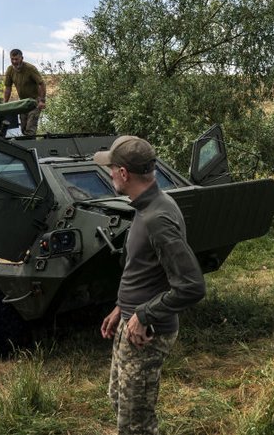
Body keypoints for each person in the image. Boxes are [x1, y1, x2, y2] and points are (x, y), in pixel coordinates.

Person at [96, 136, 206, 435]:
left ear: (124, 174)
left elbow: (191, 286)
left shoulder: (158, 216)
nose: (108, 174)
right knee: (120, 403)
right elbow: (145, 268)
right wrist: (121, 307)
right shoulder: (147, 206)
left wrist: (144, 314)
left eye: (112, 168)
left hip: (146, 331)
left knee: (136, 425)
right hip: (131, 320)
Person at [3, 49, 46, 136]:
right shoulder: (10, 70)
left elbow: (41, 84)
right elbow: (8, 87)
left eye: (16, 59)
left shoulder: (30, 68)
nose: (14, 61)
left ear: (21, 58)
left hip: (35, 102)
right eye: (12, 59)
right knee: (23, 128)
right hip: (23, 102)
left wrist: (42, 101)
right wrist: (4, 104)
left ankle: (31, 147)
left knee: (30, 128)